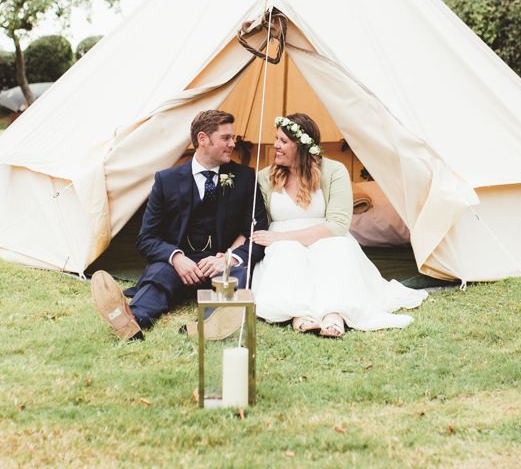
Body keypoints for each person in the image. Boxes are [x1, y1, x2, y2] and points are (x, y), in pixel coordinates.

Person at [91, 109, 268, 341]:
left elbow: (256, 233)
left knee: (238, 273)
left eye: (232, 138)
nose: (232, 144)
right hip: (178, 266)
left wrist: (226, 258)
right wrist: (176, 258)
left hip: (219, 265)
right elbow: (146, 238)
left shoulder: (244, 178)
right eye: (226, 138)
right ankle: (130, 320)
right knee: (158, 276)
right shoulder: (167, 181)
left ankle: (209, 325)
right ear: (203, 139)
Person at [251, 113, 427, 338]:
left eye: (283, 141)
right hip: (280, 241)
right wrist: (278, 240)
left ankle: (335, 313)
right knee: (287, 252)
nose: (275, 145)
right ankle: (298, 313)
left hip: (325, 235)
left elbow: (337, 225)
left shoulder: (334, 171)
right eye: (276, 139)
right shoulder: (265, 176)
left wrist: (282, 237)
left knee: (337, 249)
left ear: (302, 146)